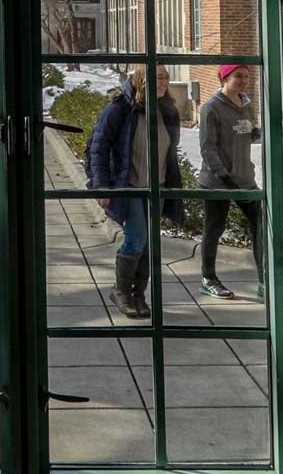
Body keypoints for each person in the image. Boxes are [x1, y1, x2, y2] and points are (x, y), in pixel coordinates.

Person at [85, 65, 186, 319]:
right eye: (156, 78)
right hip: (129, 185)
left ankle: (139, 294)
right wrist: (102, 186)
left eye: (165, 78)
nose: (162, 82)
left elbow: (169, 151)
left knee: (150, 243)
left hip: (157, 187)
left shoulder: (168, 111)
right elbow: (99, 147)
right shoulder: (120, 109)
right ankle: (121, 291)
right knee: (136, 238)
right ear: (141, 81)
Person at [196, 63, 264, 300]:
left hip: (245, 180)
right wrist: (223, 174)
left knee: (261, 227)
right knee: (214, 230)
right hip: (217, 182)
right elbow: (207, 148)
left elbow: (248, 133)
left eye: (246, 76)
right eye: (238, 76)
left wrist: (257, 133)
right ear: (224, 78)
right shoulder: (211, 108)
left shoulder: (245, 104)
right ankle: (208, 278)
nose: (244, 81)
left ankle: (264, 281)